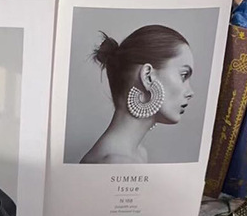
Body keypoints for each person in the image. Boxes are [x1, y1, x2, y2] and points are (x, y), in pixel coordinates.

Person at [81, 26, 195, 165]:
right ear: (148, 77)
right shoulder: (116, 162)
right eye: (183, 75)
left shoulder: (138, 154)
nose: (190, 92)